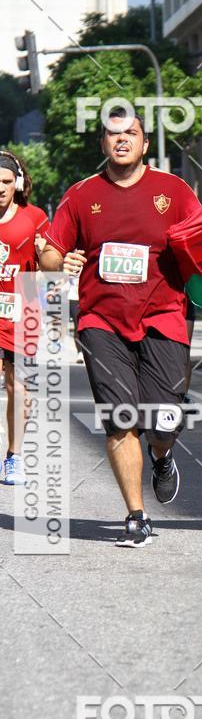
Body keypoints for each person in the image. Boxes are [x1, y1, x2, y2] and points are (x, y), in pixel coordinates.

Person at [41, 108, 201, 547]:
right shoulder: (81, 195)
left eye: (131, 133)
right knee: (119, 419)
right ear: (103, 145)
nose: (122, 140)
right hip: (101, 321)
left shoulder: (175, 191)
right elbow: (50, 256)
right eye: (114, 135)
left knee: (163, 421)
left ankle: (162, 457)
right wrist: (63, 260)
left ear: (144, 143)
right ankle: (136, 514)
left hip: (163, 318)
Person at [0, 151, 48, 485]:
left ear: (16, 183)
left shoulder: (35, 218)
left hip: (23, 309)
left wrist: (50, 254)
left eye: (5, 181)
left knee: (18, 388)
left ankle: (13, 457)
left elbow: (50, 261)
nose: (0, 188)